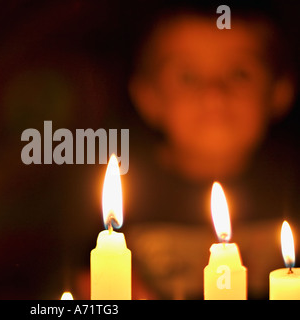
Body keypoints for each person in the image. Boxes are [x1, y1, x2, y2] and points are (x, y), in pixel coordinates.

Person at [122, 1, 298, 299]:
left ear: (279, 92)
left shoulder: (292, 187)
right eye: (188, 77)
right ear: (148, 96)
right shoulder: (125, 191)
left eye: (240, 74)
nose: (214, 95)